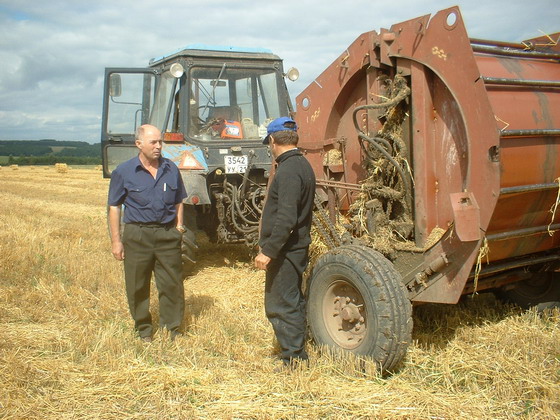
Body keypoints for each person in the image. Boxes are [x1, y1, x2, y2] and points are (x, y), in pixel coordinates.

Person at [107, 124, 187, 342]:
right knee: (137, 285)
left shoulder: (171, 168)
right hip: (137, 234)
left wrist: (179, 227)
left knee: (172, 284)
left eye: (160, 142)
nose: (159, 146)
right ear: (139, 144)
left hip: (166, 234)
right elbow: (114, 206)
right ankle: (144, 329)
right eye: (153, 142)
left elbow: (180, 200)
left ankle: (172, 329)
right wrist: (116, 241)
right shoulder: (123, 171)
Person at [254, 117, 316, 367]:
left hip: (286, 250)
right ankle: (295, 351)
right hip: (294, 247)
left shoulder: (289, 170)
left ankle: (294, 358)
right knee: (291, 298)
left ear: (272, 140)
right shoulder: (302, 165)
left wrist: (268, 251)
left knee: (280, 302)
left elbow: (287, 218)